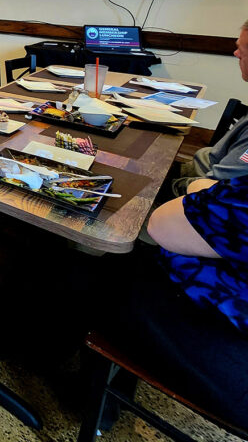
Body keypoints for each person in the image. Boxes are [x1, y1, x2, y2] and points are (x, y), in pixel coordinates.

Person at [88, 176, 248, 429]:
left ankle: (80, 389)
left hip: (233, 354)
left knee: (102, 269)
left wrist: (204, 187)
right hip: (228, 318)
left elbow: (161, 225)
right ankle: (105, 398)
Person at [170, 21, 248, 195]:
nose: (236, 54)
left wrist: (174, 186)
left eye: (241, 50)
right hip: (203, 164)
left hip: (200, 188)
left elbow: (216, 188)